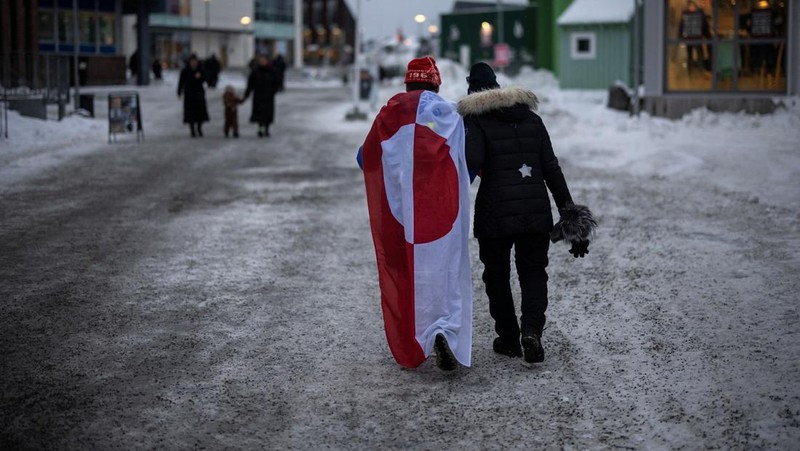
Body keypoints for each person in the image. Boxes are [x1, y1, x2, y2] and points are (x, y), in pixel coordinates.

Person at [457, 62, 595, 364]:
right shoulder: (533, 120)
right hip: (535, 212)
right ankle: (531, 330)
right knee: (533, 272)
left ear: (472, 93)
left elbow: (470, 162)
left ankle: (508, 339)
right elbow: (552, 169)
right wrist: (572, 219)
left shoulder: (476, 122)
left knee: (497, 275)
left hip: (495, 214)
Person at [358, 57, 473, 372]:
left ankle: (421, 335)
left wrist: (397, 178)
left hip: (404, 214)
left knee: (410, 275)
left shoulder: (390, 114)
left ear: (407, 83)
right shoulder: (449, 114)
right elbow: (467, 160)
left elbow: (364, 157)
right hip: (441, 211)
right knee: (446, 273)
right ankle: (444, 332)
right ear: (435, 83)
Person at [242, 54, 279, 137]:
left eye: (264, 60)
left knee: (268, 115)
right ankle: (261, 130)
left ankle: (266, 129)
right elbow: (250, 84)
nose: (262, 62)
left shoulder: (272, 70)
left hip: (268, 97)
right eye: (261, 60)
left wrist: (274, 91)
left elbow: (276, 82)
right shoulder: (255, 71)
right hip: (258, 96)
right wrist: (246, 94)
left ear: (267, 61)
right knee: (260, 116)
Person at [177, 54, 210, 137]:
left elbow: (207, 78)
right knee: (190, 113)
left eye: (195, 61)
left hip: (199, 93)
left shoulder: (201, 69)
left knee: (200, 112)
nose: (193, 63)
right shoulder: (185, 71)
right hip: (189, 94)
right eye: (192, 61)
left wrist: (201, 76)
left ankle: (199, 127)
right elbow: (181, 82)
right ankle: (192, 130)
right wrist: (179, 92)